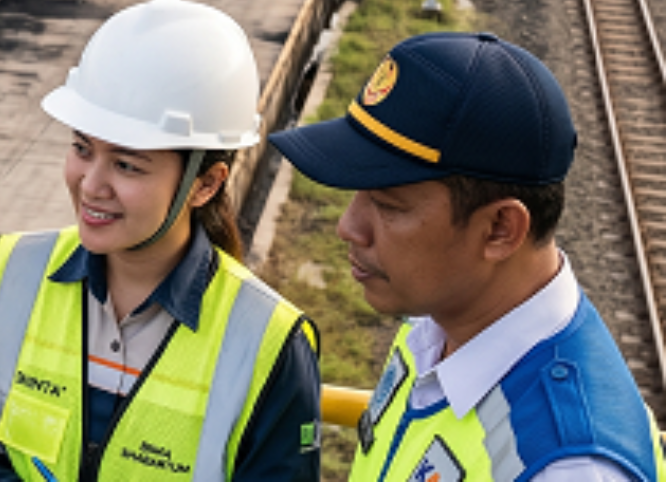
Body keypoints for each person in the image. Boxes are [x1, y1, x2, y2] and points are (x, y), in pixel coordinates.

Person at [0, 0, 322, 482]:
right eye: (81, 148)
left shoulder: (268, 342)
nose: (91, 185)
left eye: (126, 164)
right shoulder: (13, 272)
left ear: (206, 183)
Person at [270, 32, 666, 481]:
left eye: (388, 205)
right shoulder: (439, 318)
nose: (348, 226)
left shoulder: (569, 468)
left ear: (500, 229)